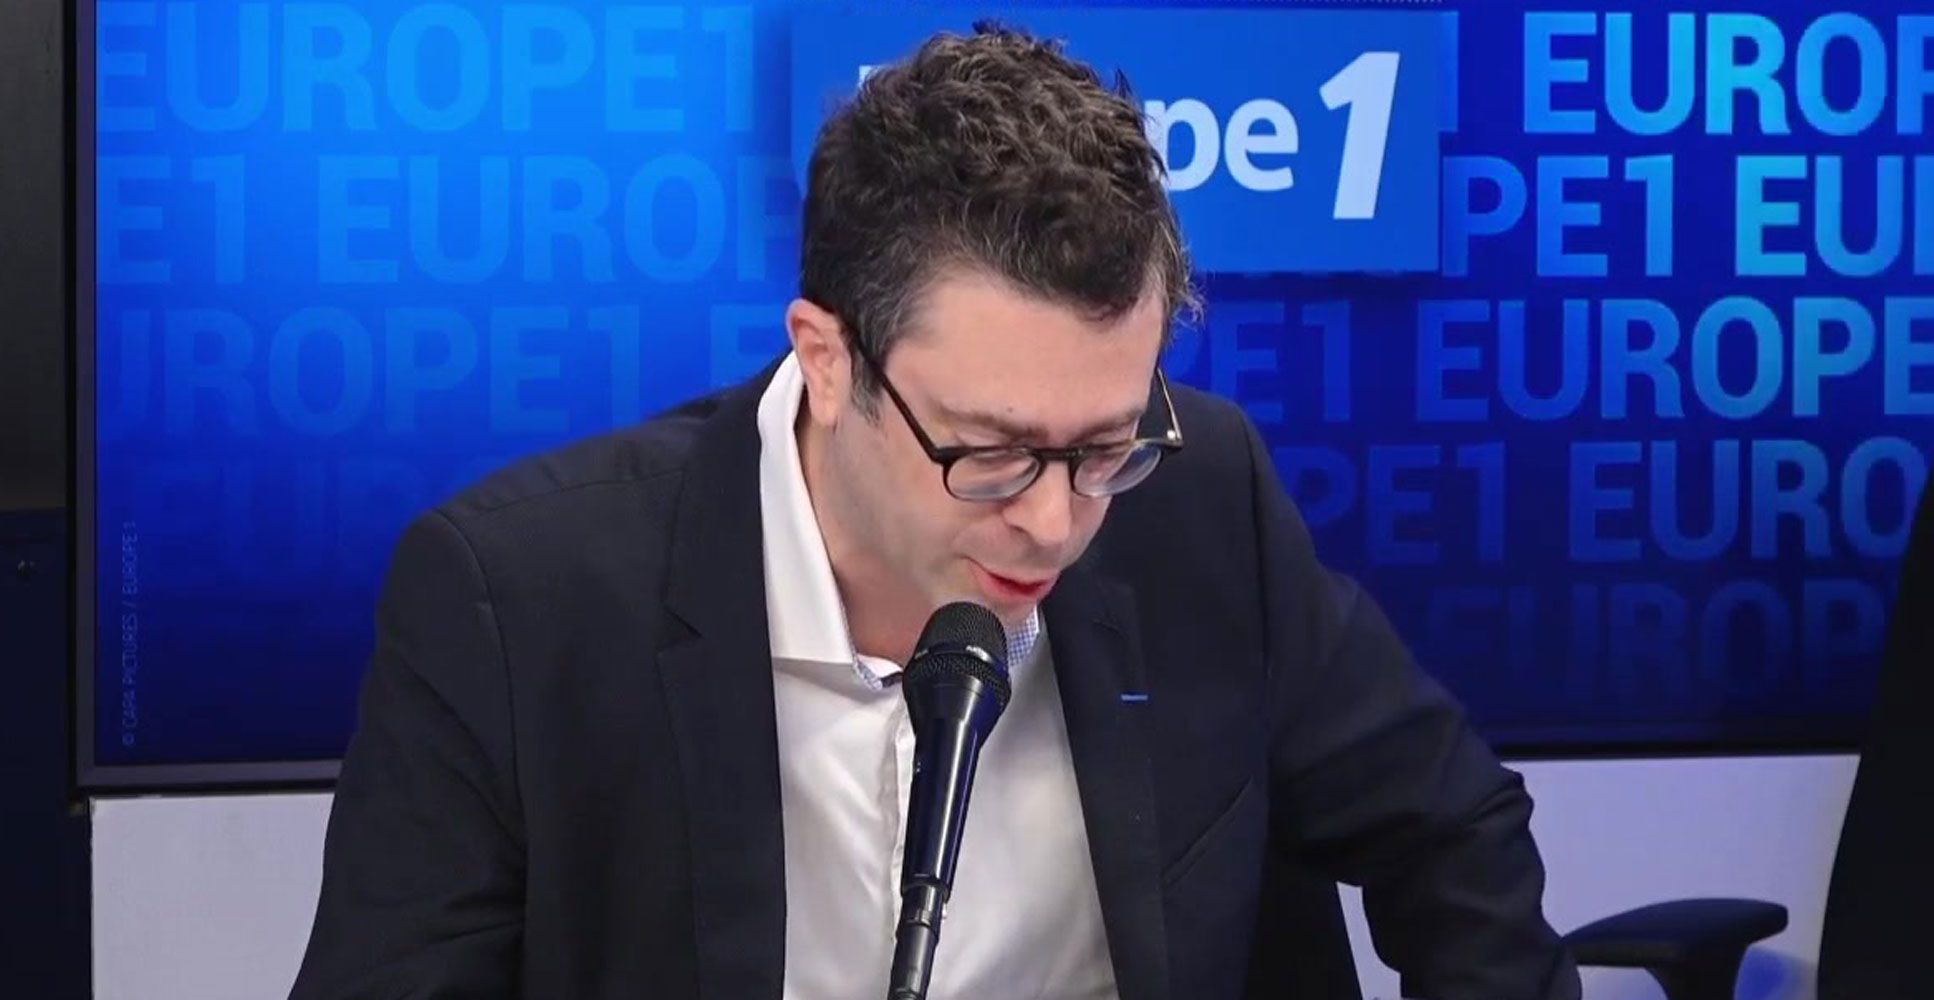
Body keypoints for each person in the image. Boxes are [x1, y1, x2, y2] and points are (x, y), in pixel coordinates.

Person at [291, 24, 1581, 1000]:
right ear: (829, 358)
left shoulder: (1204, 501)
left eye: (1105, 447)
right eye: (994, 454)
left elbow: (1453, 833)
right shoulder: (515, 604)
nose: (1055, 523)